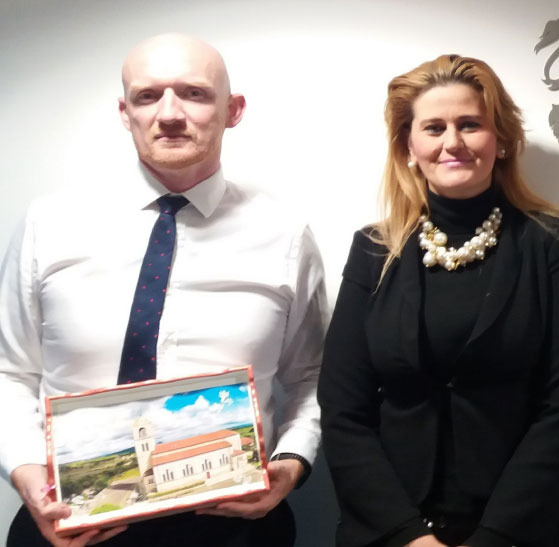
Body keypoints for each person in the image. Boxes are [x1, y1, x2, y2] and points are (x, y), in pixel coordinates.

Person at [0, 33, 327, 547]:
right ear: (125, 112)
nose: (170, 114)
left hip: (234, 529)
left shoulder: (285, 235)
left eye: (194, 93)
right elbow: (10, 371)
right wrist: (25, 475)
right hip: (71, 524)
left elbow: (311, 377)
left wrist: (291, 464)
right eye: (148, 96)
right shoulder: (50, 223)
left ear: (233, 110)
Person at [318, 54, 559, 547]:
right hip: (391, 527)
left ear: (501, 139)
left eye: (470, 124)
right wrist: (406, 534)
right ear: (408, 145)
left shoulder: (552, 244)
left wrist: (494, 537)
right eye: (434, 127)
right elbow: (342, 409)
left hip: (523, 529)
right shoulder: (374, 250)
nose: (452, 142)